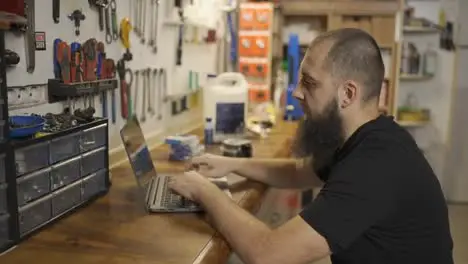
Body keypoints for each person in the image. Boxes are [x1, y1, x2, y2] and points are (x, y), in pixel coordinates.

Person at [169, 28, 454, 264]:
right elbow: (298, 173)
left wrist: (203, 190)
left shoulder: (377, 164)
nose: (296, 92)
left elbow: (268, 254)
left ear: (347, 93)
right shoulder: (365, 138)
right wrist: (231, 164)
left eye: (309, 82)